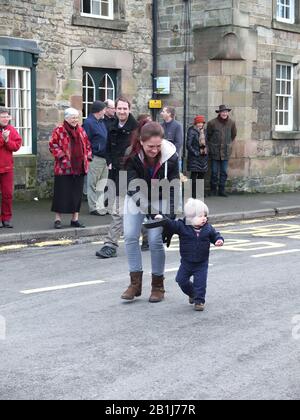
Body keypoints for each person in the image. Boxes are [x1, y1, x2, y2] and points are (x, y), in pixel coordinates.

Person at [121, 121, 180, 303]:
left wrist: (169, 217)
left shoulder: (171, 157)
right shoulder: (131, 155)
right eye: (150, 146)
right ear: (141, 141)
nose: (154, 150)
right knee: (130, 236)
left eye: (157, 146)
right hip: (136, 196)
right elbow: (131, 186)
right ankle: (135, 285)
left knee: (155, 240)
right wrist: (150, 211)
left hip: (161, 197)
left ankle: (157, 286)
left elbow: (174, 187)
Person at [155, 199, 224, 311]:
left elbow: (215, 235)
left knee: (200, 283)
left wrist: (219, 240)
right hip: (186, 262)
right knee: (181, 280)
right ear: (190, 218)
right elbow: (171, 224)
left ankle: (199, 301)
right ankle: (192, 293)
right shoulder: (182, 226)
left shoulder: (208, 228)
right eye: (200, 216)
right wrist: (162, 218)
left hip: (202, 262)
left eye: (205, 216)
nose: (204, 218)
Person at [96, 97, 138, 259]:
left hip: (134, 175)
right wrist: (109, 161)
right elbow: (107, 148)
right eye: (119, 108)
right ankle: (110, 245)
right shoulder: (112, 125)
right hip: (117, 175)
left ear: (129, 109)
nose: (121, 111)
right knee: (118, 211)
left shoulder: (136, 129)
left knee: (138, 209)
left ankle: (148, 237)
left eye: (124, 109)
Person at [49, 108, 92, 229]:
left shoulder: (81, 130)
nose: (75, 120)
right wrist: (62, 157)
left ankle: (75, 219)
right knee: (61, 194)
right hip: (63, 168)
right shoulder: (59, 130)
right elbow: (53, 145)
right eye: (73, 117)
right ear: (66, 118)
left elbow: (88, 145)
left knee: (76, 194)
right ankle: (58, 220)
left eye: (77, 117)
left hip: (79, 167)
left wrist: (87, 157)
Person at [83, 101, 109, 216]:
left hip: (105, 157)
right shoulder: (88, 123)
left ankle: (100, 206)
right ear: (99, 110)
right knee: (93, 183)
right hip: (95, 157)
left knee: (102, 184)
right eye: (104, 109)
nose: (105, 111)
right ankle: (93, 207)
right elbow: (85, 141)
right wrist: (90, 155)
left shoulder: (101, 122)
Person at [207, 105, 237, 197]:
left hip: (226, 151)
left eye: (226, 112)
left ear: (228, 113)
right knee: (214, 172)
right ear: (219, 113)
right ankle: (213, 190)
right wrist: (212, 146)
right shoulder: (212, 123)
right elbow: (208, 136)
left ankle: (222, 190)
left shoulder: (232, 123)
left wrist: (227, 144)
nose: (224, 113)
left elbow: (233, 135)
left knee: (223, 172)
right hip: (215, 151)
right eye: (223, 112)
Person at [0, 108, 22, 228]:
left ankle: (6, 219)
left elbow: (17, 146)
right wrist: (3, 139)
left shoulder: (11, 130)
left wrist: (7, 140)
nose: (5, 119)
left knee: (7, 194)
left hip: (7, 168)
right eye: (2, 116)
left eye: (7, 116)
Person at [187, 115, 208, 199]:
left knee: (201, 176)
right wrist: (195, 153)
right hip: (194, 157)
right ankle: (193, 193)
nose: (200, 124)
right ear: (196, 123)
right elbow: (188, 145)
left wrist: (207, 151)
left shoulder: (204, 131)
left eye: (201, 123)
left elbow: (207, 142)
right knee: (194, 176)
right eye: (198, 122)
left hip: (203, 156)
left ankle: (200, 193)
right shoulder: (191, 131)